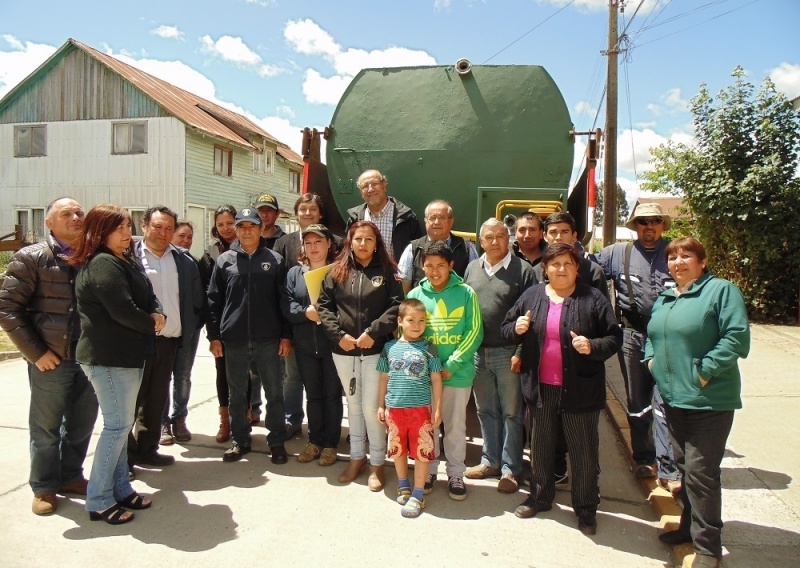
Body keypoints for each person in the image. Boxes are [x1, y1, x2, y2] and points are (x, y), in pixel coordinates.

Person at [502, 242, 621, 535]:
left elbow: (614, 337)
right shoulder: (532, 296)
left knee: (583, 452)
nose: (561, 269)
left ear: (577, 267)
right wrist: (515, 328)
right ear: (545, 268)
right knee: (541, 448)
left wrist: (592, 346)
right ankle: (540, 497)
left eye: (568, 263)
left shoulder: (591, 298)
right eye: (555, 264)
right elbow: (505, 328)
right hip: (541, 388)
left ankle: (585, 508)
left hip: (579, 389)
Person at [645, 237, 750, 568]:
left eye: (686, 256)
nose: (678, 262)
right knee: (687, 471)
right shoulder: (666, 297)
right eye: (672, 257)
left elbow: (736, 337)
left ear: (702, 262)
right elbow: (651, 337)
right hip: (674, 399)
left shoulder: (720, 291)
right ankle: (689, 528)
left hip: (709, 401)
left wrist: (704, 371)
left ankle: (708, 548)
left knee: (702, 474)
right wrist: (651, 362)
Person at [0, 197, 99, 516]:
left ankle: (71, 476)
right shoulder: (31, 257)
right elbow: (8, 308)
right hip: (50, 360)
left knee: (83, 423)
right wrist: (35, 352)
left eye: (79, 213)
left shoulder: (93, 257)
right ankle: (43, 486)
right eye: (66, 213)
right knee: (46, 427)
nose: (75, 218)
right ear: (49, 223)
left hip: (89, 359)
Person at [71, 204, 163, 525]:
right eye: (121, 228)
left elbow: (147, 294)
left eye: (127, 226)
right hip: (108, 358)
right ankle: (99, 499)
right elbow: (123, 310)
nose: (128, 233)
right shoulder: (102, 264)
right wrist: (151, 321)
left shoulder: (124, 259)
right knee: (117, 428)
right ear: (101, 231)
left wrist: (156, 310)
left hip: (126, 356)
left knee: (121, 428)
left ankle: (121, 488)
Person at [595, 202, 679, 488]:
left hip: (670, 338)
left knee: (667, 398)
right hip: (632, 335)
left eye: (655, 221)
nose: (649, 226)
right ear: (636, 226)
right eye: (643, 222)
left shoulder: (676, 253)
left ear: (662, 225)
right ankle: (644, 457)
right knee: (637, 400)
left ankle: (669, 464)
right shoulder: (618, 253)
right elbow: (584, 271)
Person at [317, 220, 403, 491]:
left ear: (376, 243)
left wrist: (373, 333)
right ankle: (357, 458)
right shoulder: (336, 272)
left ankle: (377, 462)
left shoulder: (387, 272)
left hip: (375, 350)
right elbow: (324, 306)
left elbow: (396, 307)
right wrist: (338, 336)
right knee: (353, 406)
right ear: (349, 243)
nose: (363, 244)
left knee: (371, 408)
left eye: (368, 239)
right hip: (344, 351)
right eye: (357, 239)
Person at [206, 207, 292, 464]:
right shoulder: (224, 261)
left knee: (274, 393)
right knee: (237, 393)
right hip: (234, 339)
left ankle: (276, 440)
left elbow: (284, 301)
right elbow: (213, 301)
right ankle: (240, 440)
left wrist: (286, 335)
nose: (246, 231)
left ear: (259, 229)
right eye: (241, 226)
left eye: (251, 226)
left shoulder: (275, 260)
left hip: (269, 339)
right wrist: (214, 336)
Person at [463, 218, 536, 493]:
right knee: (485, 411)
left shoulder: (524, 270)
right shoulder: (472, 268)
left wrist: (520, 351)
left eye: (500, 236)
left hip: (509, 354)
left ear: (509, 239)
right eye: (489, 237)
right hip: (478, 353)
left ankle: (510, 469)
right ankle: (489, 461)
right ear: (481, 241)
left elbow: (533, 315)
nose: (495, 241)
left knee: (512, 414)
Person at [128, 207, 203, 472]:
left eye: (168, 228)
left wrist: (189, 328)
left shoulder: (184, 261)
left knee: (156, 400)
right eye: (157, 227)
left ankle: (148, 450)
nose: (163, 233)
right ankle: (125, 458)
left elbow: (195, 301)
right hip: (136, 342)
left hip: (170, 341)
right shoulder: (129, 258)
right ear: (144, 225)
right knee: (130, 402)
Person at [407, 240, 483, 501]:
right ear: (422, 266)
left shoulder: (466, 293)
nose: (435, 271)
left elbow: (473, 333)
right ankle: (429, 470)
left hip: (456, 375)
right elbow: (406, 333)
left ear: (451, 265)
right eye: (429, 266)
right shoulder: (416, 296)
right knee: (427, 425)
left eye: (441, 265)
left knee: (454, 427)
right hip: (424, 377)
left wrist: (449, 365)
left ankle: (456, 474)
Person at [281, 224, 342, 466]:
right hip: (305, 344)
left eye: (319, 242)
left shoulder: (339, 272)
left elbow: (349, 305)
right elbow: (286, 303)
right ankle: (315, 440)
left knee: (332, 394)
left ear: (329, 244)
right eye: (309, 243)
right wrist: (305, 312)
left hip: (331, 345)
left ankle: (331, 444)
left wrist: (327, 317)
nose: (314, 247)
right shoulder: (294, 273)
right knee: (313, 395)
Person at [377, 298, 443, 518]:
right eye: (411, 320)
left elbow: (436, 380)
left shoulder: (429, 348)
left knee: (422, 452)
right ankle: (403, 483)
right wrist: (380, 406)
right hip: (394, 410)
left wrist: (437, 408)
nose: (417, 325)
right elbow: (383, 379)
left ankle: (418, 493)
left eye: (422, 320)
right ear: (400, 321)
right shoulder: (388, 348)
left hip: (420, 411)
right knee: (397, 450)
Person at [161, 220, 206, 445]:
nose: (186, 241)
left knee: (183, 376)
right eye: (181, 236)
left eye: (190, 237)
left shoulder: (192, 263)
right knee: (161, 378)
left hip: (188, 331)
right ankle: (162, 423)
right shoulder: (158, 262)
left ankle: (179, 419)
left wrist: (195, 322)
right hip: (163, 333)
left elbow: (200, 298)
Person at [199, 205, 237, 444]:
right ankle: (225, 421)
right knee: (222, 373)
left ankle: (244, 416)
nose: (225, 228)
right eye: (220, 224)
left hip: (245, 323)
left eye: (229, 223)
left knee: (246, 375)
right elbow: (208, 297)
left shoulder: (249, 247)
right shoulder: (210, 254)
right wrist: (213, 333)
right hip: (221, 325)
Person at [397, 199, 478, 293]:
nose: (436, 222)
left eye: (442, 218)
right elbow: (403, 285)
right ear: (425, 221)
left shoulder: (466, 248)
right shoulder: (413, 248)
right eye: (432, 217)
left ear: (451, 221)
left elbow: (474, 283)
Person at [344, 169, 423, 260]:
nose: (370, 189)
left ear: (384, 186)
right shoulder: (355, 218)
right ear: (361, 192)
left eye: (374, 184)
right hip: (364, 273)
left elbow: (417, 254)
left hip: (396, 273)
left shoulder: (406, 217)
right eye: (365, 186)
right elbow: (347, 251)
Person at [535, 212, 609, 298]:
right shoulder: (535, 271)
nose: (559, 237)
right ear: (545, 236)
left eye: (564, 232)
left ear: (574, 236)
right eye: (553, 232)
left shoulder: (593, 271)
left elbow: (603, 309)